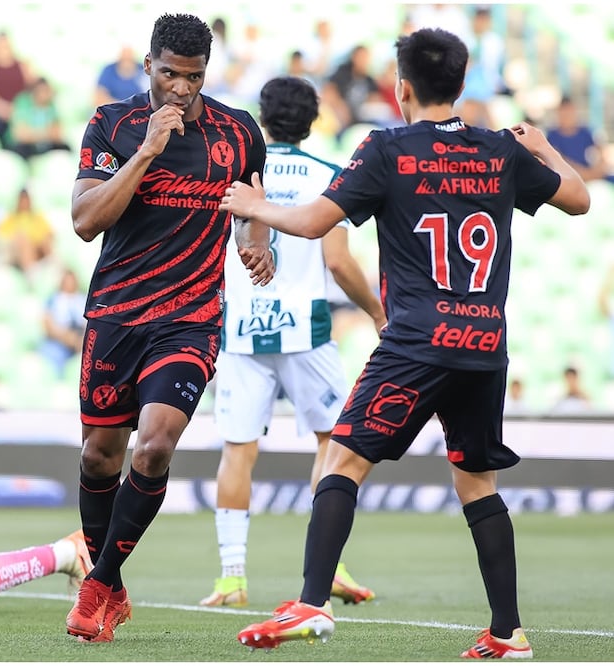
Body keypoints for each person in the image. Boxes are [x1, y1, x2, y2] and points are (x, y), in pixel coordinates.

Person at [222, 27, 589, 657]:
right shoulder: (502, 150)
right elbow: (579, 200)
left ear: (401, 89)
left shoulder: (388, 149)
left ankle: (311, 604)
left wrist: (256, 202)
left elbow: (312, 222)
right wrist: (548, 147)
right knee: (478, 485)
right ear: (462, 83)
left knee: (342, 462)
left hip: (415, 341)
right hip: (483, 346)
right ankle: (509, 632)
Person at [65, 13, 273, 644]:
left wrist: (259, 240)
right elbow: (84, 220)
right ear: (147, 66)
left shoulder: (239, 132)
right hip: (115, 315)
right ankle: (112, 586)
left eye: (194, 77)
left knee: (153, 446)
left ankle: (98, 585)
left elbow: (252, 204)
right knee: (100, 455)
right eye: (170, 74)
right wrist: (148, 153)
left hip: (189, 319)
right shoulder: (113, 125)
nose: (182, 89)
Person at [201, 76, 387, 610]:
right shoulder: (327, 176)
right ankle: (328, 567)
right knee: (334, 444)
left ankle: (232, 577)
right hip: (306, 330)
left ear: (263, 118)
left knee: (239, 451)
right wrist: (376, 311)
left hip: (241, 330)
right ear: (312, 121)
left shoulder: (237, 179)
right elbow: (336, 261)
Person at [546, 97, 613, 184]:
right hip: (568, 177)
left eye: (569, 112)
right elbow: (559, 162)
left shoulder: (585, 132)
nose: (567, 116)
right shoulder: (552, 136)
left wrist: (599, 167)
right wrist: (585, 174)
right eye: (564, 113)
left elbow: (600, 150)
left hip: (589, 174)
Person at [6, 77, 71, 162]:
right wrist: (46, 133)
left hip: (45, 144)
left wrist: (35, 134)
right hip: (26, 146)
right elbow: (21, 134)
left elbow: (57, 133)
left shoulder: (51, 105)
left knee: (64, 148)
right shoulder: (24, 103)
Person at [0, 188, 54, 281]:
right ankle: (31, 273)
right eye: (22, 200)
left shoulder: (37, 217)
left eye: (26, 200)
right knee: (23, 240)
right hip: (15, 252)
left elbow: (48, 234)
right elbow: (4, 237)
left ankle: (52, 270)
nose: (24, 203)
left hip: (37, 250)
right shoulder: (11, 218)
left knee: (45, 241)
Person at [40, 268, 86, 379]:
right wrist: (67, 338)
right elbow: (48, 323)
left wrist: (80, 340)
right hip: (58, 341)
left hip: (80, 339)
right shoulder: (53, 299)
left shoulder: (83, 299)